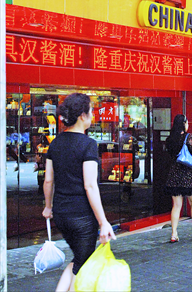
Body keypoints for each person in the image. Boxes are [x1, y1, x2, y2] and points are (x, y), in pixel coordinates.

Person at [42, 93, 116, 292]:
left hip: (61, 213)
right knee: (82, 267)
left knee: (79, 260)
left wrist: (48, 207)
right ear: (82, 115)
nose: (93, 115)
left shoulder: (55, 143)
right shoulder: (88, 144)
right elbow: (90, 185)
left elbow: (48, 180)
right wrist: (103, 222)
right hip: (82, 216)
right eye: (91, 111)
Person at [165, 114, 192, 242]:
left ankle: (174, 234)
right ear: (183, 124)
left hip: (174, 175)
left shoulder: (170, 139)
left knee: (176, 206)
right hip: (188, 175)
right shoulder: (188, 138)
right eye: (187, 122)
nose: (188, 125)